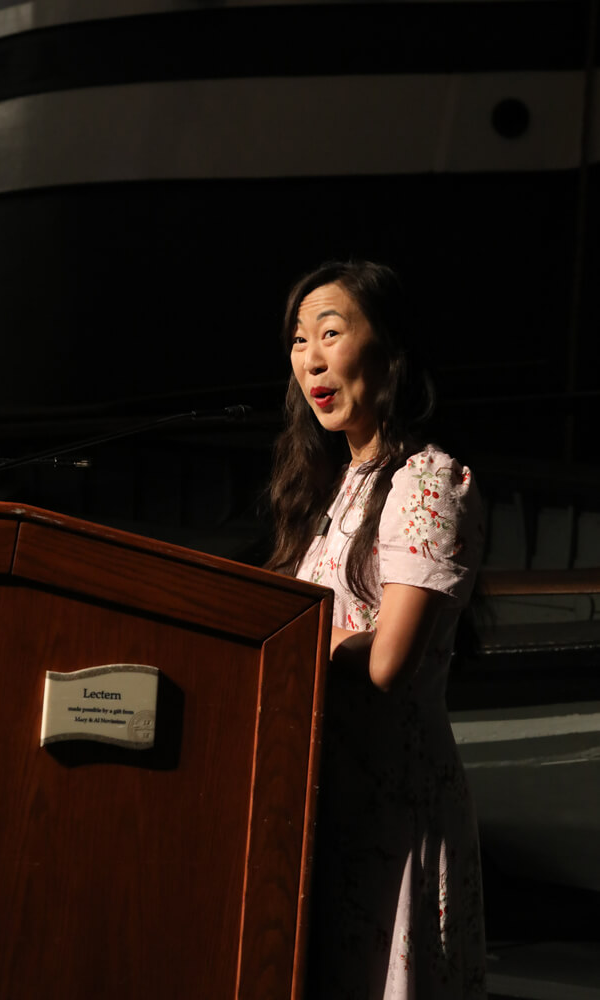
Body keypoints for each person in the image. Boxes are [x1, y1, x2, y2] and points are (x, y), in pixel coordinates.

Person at [266, 260, 487, 999]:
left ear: (389, 351)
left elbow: (389, 660)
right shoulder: (336, 485)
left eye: (331, 332)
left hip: (392, 811)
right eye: (300, 340)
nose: (312, 358)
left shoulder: (429, 480)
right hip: (326, 801)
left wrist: (289, 648)